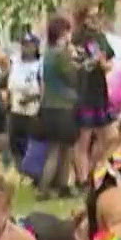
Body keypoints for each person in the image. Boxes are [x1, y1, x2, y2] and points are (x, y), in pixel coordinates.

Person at [70, 0, 117, 188]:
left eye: (97, 15)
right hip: (85, 90)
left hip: (99, 90)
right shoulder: (79, 37)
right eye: (91, 15)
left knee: (109, 136)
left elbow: (108, 61)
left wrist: (104, 64)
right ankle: (83, 178)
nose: (95, 19)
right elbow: (82, 62)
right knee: (84, 138)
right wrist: (100, 63)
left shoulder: (100, 37)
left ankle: (93, 170)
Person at [34, 16, 82, 197]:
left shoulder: (47, 53)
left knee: (55, 148)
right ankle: (51, 186)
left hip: (48, 106)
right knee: (65, 150)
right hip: (64, 106)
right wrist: (75, 61)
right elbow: (71, 77)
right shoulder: (62, 53)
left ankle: (52, 186)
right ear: (63, 33)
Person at [7, 34, 42, 167]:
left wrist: (31, 98)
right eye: (23, 45)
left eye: (29, 45)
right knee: (15, 144)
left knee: (30, 145)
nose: (25, 48)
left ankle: (31, 171)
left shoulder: (39, 65)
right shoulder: (15, 63)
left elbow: (43, 88)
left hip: (33, 111)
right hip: (15, 110)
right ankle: (19, 171)